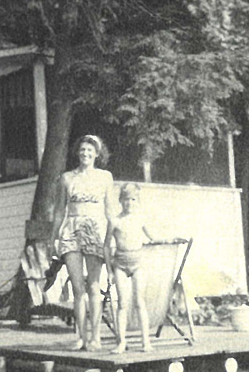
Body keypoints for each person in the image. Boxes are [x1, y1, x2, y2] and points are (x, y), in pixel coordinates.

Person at [52, 135, 114, 351]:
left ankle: (95, 337)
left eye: (90, 150)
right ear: (77, 153)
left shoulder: (105, 177)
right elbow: (60, 210)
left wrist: (110, 237)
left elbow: (110, 210)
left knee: (94, 286)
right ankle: (80, 337)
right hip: (71, 230)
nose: (85, 153)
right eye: (82, 150)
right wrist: (54, 237)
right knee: (78, 288)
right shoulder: (66, 178)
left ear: (97, 154)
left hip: (95, 230)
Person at [108, 183, 183, 353]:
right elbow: (106, 246)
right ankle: (121, 342)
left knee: (139, 302)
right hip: (119, 264)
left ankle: (146, 341)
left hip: (137, 264)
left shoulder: (140, 219)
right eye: (126, 199)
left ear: (138, 201)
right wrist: (108, 269)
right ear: (121, 200)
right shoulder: (115, 221)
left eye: (133, 199)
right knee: (122, 303)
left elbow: (153, 237)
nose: (129, 203)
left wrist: (168, 239)